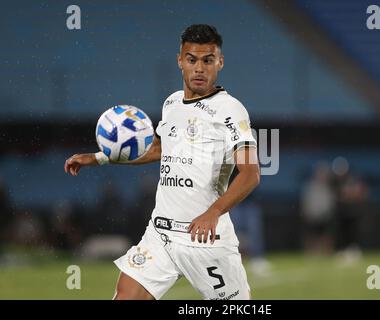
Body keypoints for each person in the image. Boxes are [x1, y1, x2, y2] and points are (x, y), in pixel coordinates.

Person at [64, 24, 260, 300]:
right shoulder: (171, 104)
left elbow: (250, 173)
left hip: (205, 238)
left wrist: (214, 212)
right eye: (192, 60)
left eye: (208, 60)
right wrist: (98, 158)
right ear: (180, 61)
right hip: (161, 233)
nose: (199, 69)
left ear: (220, 62)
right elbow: (157, 148)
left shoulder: (230, 110)